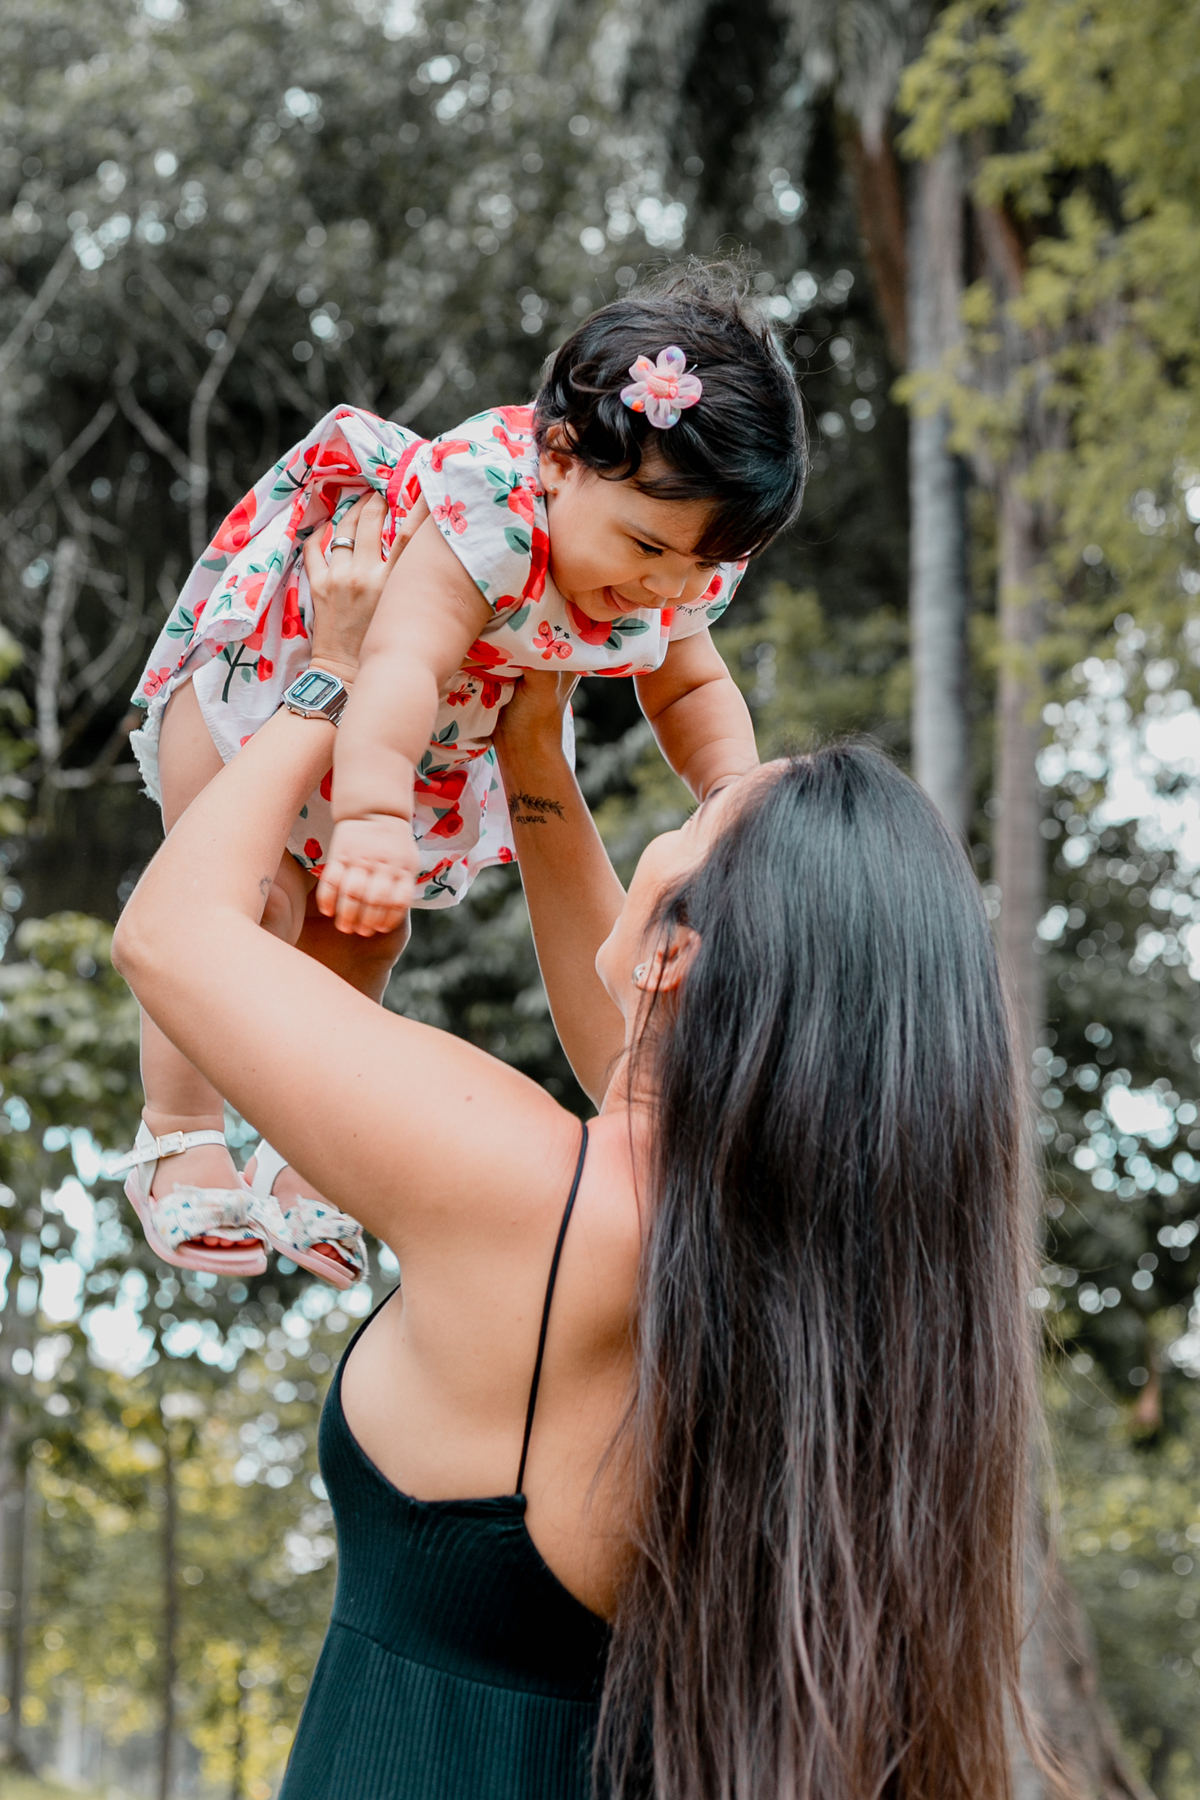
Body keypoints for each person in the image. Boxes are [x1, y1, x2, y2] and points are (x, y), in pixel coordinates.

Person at [112, 553, 1042, 1797]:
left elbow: (171, 935)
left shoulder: (526, 1188)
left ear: (677, 958)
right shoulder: (794, 1278)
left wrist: (330, 675)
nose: (661, 832)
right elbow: (634, 1064)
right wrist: (531, 757)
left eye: (685, 827)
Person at [117, 263, 806, 1280]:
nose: (661, 588)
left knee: (365, 935)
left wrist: (732, 796)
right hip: (275, 687)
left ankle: (304, 1160)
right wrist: (369, 820)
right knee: (252, 906)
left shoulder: (674, 559)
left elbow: (690, 688)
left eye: (697, 570)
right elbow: (398, 661)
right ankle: (178, 1135)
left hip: (417, 740)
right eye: (646, 548)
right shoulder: (487, 502)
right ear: (562, 459)